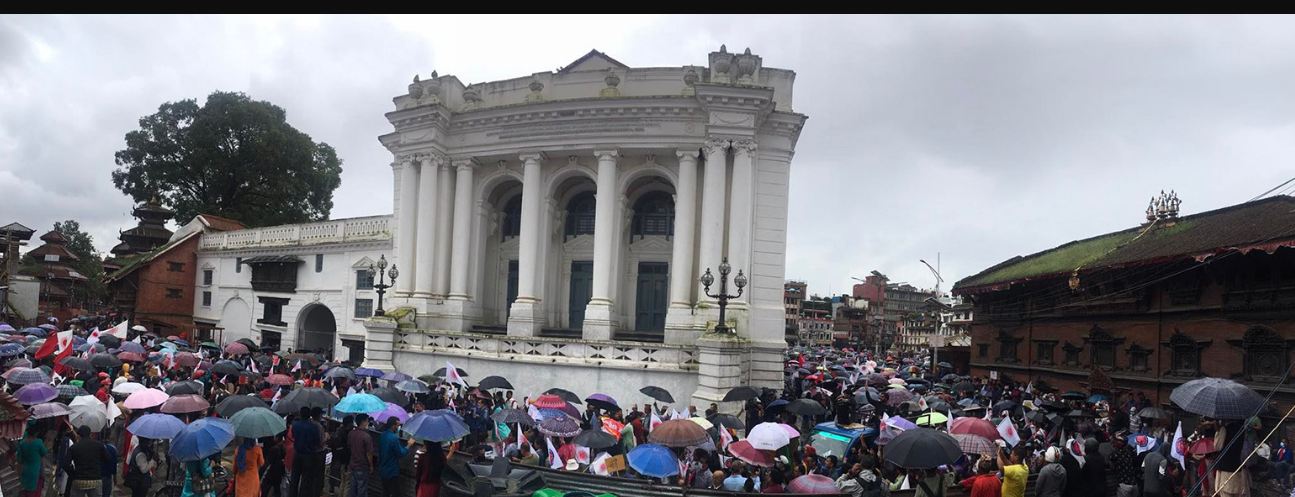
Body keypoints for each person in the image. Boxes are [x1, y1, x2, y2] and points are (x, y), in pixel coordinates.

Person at [289, 407, 325, 497]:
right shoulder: (314, 427)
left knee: (294, 477)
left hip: (297, 453)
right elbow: (318, 442)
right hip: (309, 455)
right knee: (306, 479)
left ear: (300, 414)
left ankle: (292, 494)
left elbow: (293, 436)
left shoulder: (295, 425)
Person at [378, 418, 414, 497]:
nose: (398, 427)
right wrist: (409, 445)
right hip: (392, 471)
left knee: (385, 492)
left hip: (382, 469)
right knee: (395, 493)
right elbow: (401, 453)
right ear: (393, 426)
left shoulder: (382, 435)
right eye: (398, 425)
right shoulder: (393, 438)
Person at [67, 426, 105, 497]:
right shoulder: (99, 445)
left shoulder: (74, 447)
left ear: (78, 435)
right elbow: (107, 459)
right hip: (95, 480)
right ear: (90, 434)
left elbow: (65, 464)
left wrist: (72, 474)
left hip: (78, 480)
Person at [348, 415, 375, 497]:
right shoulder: (366, 436)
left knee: (353, 488)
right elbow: (369, 453)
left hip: (353, 464)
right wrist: (371, 465)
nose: (368, 423)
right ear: (363, 422)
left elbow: (349, 447)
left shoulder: (351, 433)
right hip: (362, 466)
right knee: (362, 489)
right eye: (367, 421)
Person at [17, 427, 47, 497]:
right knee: (33, 491)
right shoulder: (39, 442)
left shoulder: (22, 443)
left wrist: (19, 473)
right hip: (36, 470)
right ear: (36, 433)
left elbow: (19, 460)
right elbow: (44, 453)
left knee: (25, 489)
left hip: (25, 469)